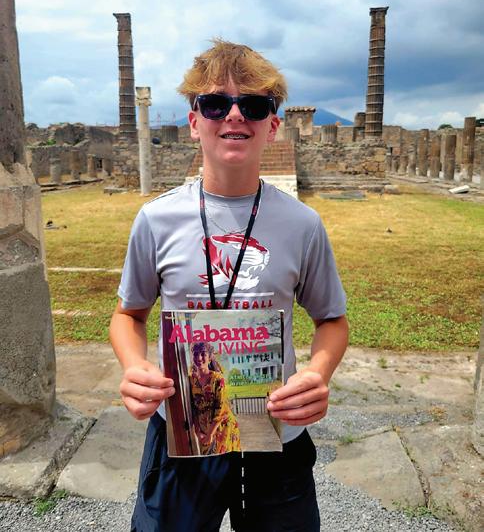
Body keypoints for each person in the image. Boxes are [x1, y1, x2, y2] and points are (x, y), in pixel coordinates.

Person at [110, 39, 349, 532]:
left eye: (255, 105)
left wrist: (318, 373)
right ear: (194, 121)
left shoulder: (303, 224)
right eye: (216, 103)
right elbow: (128, 314)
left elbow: (331, 319)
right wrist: (134, 367)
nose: (235, 115)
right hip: (183, 433)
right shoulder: (156, 219)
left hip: (276, 432)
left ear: (273, 125)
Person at [189, 342, 241, 455]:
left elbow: (220, 409)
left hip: (223, 426)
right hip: (204, 427)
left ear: (209, 358)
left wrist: (210, 434)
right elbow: (192, 407)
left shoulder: (217, 379)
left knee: (222, 459)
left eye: (203, 354)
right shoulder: (190, 380)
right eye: (196, 354)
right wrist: (197, 431)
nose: (199, 358)